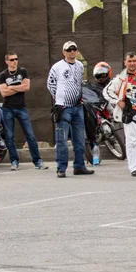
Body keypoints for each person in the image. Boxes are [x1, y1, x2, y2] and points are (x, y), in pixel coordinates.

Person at [47, 41, 94, 178]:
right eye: (69, 50)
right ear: (64, 52)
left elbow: (79, 82)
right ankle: (61, 167)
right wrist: (59, 97)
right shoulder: (57, 67)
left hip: (77, 106)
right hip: (63, 107)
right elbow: (50, 84)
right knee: (61, 139)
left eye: (74, 49)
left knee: (79, 138)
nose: (72, 52)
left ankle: (79, 166)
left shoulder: (80, 65)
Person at [0, 52, 48, 170]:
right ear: (7, 61)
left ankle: (37, 161)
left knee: (30, 135)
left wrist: (11, 87)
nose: (14, 61)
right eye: (11, 60)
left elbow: (26, 87)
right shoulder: (3, 75)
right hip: (8, 108)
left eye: (16, 59)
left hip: (21, 107)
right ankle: (14, 161)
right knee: (10, 136)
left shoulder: (23, 71)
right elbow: (4, 93)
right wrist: (18, 87)